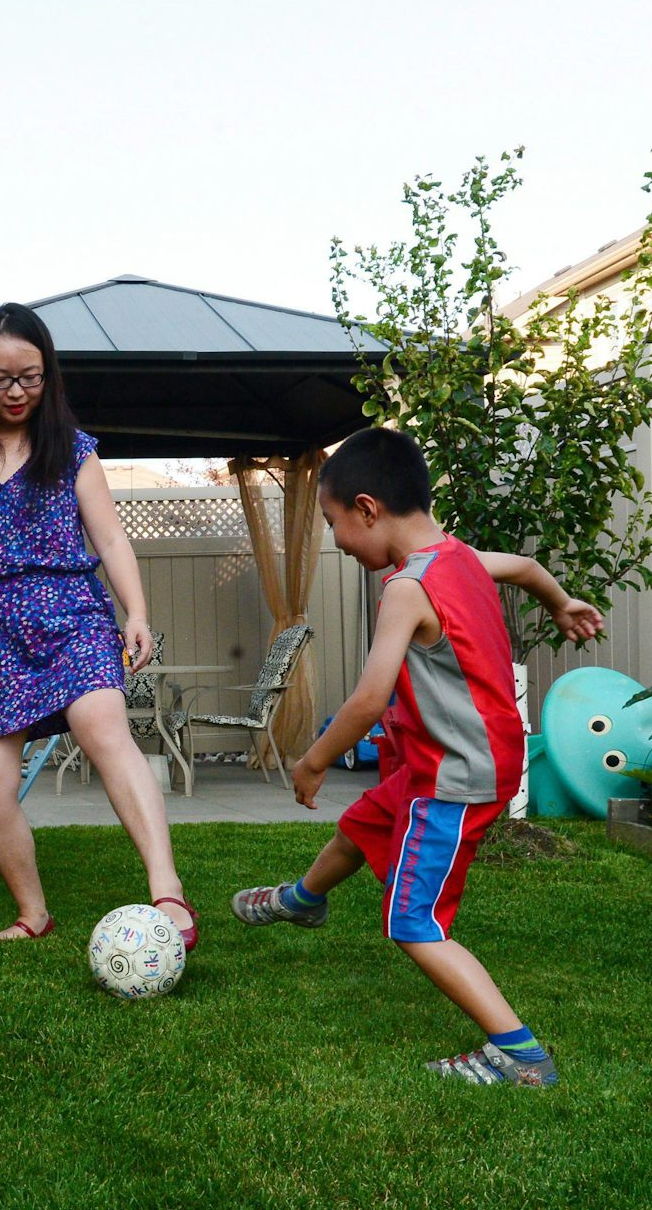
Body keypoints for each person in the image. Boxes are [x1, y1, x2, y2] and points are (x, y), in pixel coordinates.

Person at [230, 427, 603, 1086]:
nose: (339, 539)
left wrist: (314, 759)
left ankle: (520, 1054)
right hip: (450, 759)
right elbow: (521, 565)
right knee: (365, 822)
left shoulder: (406, 588)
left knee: (414, 919)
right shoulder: (457, 556)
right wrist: (560, 599)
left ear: (368, 508)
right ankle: (303, 899)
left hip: (458, 774)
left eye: (334, 522)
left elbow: (370, 698)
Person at [0, 302, 195, 945]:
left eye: (30, 376)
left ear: (47, 374)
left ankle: (168, 892)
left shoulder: (73, 451)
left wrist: (136, 612)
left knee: (102, 727)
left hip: (70, 614)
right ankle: (33, 913)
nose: (16, 391)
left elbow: (111, 539)